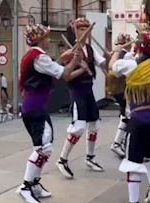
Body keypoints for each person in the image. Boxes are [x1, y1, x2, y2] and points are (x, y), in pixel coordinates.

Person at [16, 23, 83, 203]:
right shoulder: (39, 58)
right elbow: (63, 74)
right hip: (35, 107)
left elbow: (53, 69)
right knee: (42, 148)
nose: (49, 39)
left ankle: (35, 184)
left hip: (34, 106)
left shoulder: (34, 56)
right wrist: (75, 61)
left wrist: (63, 59)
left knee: (46, 144)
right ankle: (26, 186)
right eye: (46, 37)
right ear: (40, 39)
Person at [109, 28, 150, 203]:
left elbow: (113, 66)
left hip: (139, 117)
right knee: (148, 153)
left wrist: (118, 49)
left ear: (139, 48)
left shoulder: (133, 65)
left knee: (132, 160)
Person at [57, 18, 107, 179]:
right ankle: (62, 159)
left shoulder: (91, 49)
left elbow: (104, 64)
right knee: (78, 127)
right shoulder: (70, 52)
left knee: (94, 125)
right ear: (75, 31)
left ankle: (90, 157)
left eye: (86, 28)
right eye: (81, 28)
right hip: (77, 92)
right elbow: (66, 77)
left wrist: (115, 56)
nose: (84, 31)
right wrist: (81, 68)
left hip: (89, 91)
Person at [108, 33, 134, 159]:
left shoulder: (118, 55)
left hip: (117, 90)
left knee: (125, 114)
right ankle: (118, 143)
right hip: (123, 89)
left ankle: (120, 142)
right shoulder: (126, 56)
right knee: (127, 116)